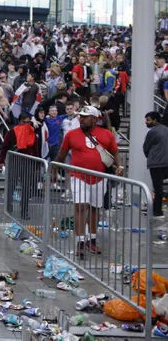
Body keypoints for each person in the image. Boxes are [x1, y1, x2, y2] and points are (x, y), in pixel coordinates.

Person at [54, 106, 124, 260]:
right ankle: (80, 242)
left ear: (94, 118)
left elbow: (115, 153)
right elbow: (61, 154)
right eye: (80, 116)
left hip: (99, 177)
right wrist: (52, 170)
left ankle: (91, 240)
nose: (81, 118)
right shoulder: (71, 135)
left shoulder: (106, 134)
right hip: (78, 176)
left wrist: (120, 165)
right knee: (80, 207)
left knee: (95, 208)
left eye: (85, 116)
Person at [0, 112, 40, 219]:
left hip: (28, 163)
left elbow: (36, 149)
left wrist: (37, 163)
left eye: (28, 122)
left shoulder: (32, 133)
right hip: (14, 162)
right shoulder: (12, 132)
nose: (26, 124)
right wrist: (1, 161)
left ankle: (24, 211)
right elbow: (4, 147)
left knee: (26, 188)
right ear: (19, 121)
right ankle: (9, 207)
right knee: (11, 186)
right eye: (24, 122)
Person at [143, 111, 168, 218]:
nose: (146, 122)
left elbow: (146, 148)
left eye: (148, 120)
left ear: (155, 120)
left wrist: (150, 156)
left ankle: (157, 211)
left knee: (158, 189)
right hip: (165, 162)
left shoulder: (152, 132)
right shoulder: (166, 129)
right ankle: (157, 210)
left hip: (156, 164)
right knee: (159, 189)